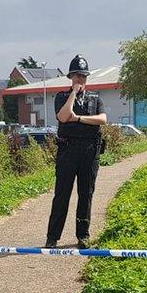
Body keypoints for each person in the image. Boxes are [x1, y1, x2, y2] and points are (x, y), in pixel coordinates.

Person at [45, 55, 107, 249]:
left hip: (89, 150)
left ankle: (83, 235)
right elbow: (63, 117)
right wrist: (73, 94)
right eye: (77, 76)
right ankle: (53, 237)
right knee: (62, 193)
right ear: (71, 77)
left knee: (85, 193)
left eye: (83, 76)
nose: (80, 79)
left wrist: (78, 119)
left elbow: (102, 119)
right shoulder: (62, 97)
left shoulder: (95, 98)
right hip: (67, 149)